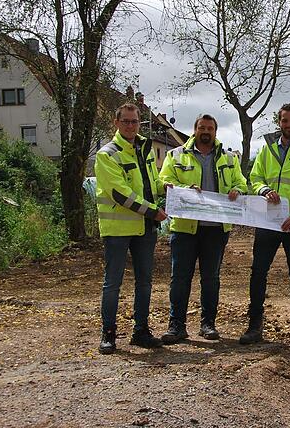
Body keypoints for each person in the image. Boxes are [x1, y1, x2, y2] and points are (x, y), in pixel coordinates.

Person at [159, 114, 248, 343]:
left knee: (211, 278)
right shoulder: (175, 155)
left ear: (215, 131)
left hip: (216, 229)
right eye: (201, 127)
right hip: (184, 228)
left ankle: (208, 324)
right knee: (180, 278)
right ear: (194, 129)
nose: (205, 131)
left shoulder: (229, 158)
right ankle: (176, 325)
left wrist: (237, 190)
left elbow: (242, 183)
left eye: (210, 127)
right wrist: (183, 187)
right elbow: (163, 181)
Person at [239, 103, 290, 345]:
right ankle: (254, 327)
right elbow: (254, 177)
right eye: (284, 121)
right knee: (258, 272)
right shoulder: (266, 149)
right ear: (279, 122)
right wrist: (263, 190)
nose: (288, 125)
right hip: (267, 220)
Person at [95, 103, 168, 354]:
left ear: (140, 123)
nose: (130, 126)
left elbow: (151, 183)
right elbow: (119, 194)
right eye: (125, 121)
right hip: (117, 228)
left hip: (145, 227)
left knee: (144, 282)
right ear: (116, 123)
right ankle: (108, 334)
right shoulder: (107, 154)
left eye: (134, 122)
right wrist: (153, 211)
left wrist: (170, 188)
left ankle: (141, 331)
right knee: (112, 283)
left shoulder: (145, 149)